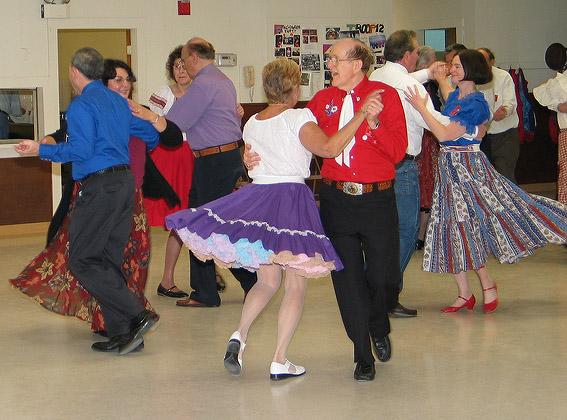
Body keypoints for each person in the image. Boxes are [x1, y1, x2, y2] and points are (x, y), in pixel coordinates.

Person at [166, 57, 382, 380]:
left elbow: (252, 164)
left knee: (267, 281)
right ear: (295, 89)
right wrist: (362, 115)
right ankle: (280, 359)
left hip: (260, 201)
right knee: (294, 285)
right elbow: (329, 148)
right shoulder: (299, 118)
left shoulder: (253, 122)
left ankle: (239, 335)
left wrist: (245, 157)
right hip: (291, 202)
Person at [246, 39, 407, 381]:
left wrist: (375, 124)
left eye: (335, 59)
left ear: (358, 64)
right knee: (347, 281)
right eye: (330, 58)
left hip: (377, 200)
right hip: (336, 202)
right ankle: (362, 354)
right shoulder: (321, 101)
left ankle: (378, 322)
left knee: (385, 279)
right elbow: (285, 132)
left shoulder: (384, 96)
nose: (329, 64)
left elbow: (398, 152)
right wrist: (247, 156)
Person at [11, 59, 182, 339]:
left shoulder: (130, 111)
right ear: (104, 83)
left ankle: (133, 319)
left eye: (127, 79)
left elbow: (160, 138)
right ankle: (120, 330)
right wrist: (48, 143)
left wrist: (149, 117)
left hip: (122, 195)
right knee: (103, 261)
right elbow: (65, 136)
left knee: (119, 263)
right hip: (105, 192)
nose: (124, 84)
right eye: (117, 79)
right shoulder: (105, 109)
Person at [404, 49, 567, 314]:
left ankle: (487, 286)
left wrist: (422, 107)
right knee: (451, 226)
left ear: (470, 71)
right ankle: (465, 293)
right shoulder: (459, 96)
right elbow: (450, 99)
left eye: (456, 66)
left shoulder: (477, 104)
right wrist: (439, 79)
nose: (451, 70)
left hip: (468, 169)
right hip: (449, 169)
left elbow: (445, 134)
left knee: (476, 223)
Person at [165, 37, 256, 307]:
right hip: (224, 157)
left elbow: (175, 121)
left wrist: (148, 118)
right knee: (209, 224)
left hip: (213, 161)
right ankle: (234, 284)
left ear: (194, 58)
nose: (183, 66)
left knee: (202, 226)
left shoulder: (203, 84)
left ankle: (219, 288)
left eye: (183, 60)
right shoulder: (221, 80)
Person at [370, 30, 452, 318]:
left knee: (379, 230)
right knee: (405, 232)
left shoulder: (376, 77)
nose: (418, 55)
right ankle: (387, 293)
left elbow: (401, 82)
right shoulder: (407, 84)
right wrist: (462, 123)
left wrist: (427, 74)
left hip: (375, 166)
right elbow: (434, 121)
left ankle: (375, 288)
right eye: (416, 51)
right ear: (407, 55)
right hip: (402, 167)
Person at [477, 47, 520, 182]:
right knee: (485, 179)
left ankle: (512, 203)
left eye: (483, 60)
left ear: (492, 61)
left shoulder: (503, 76)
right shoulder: (473, 79)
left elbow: (510, 103)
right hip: (481, 137)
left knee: (505, 177)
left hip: (504, 134)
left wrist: (504, 111)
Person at [414, 46, 442, 251]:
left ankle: (424, 233)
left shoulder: (433, 85)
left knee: (428, 185)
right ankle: (420, 233)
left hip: (430, 139)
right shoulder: (419, 84)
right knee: (423, 185)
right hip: (423, 139)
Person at [533, 42, 567, 204]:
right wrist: (557, 105)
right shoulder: (558, 82)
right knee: (565, 174)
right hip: (566, 132)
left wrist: (557, 105)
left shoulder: (558, 82)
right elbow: (541, 94)